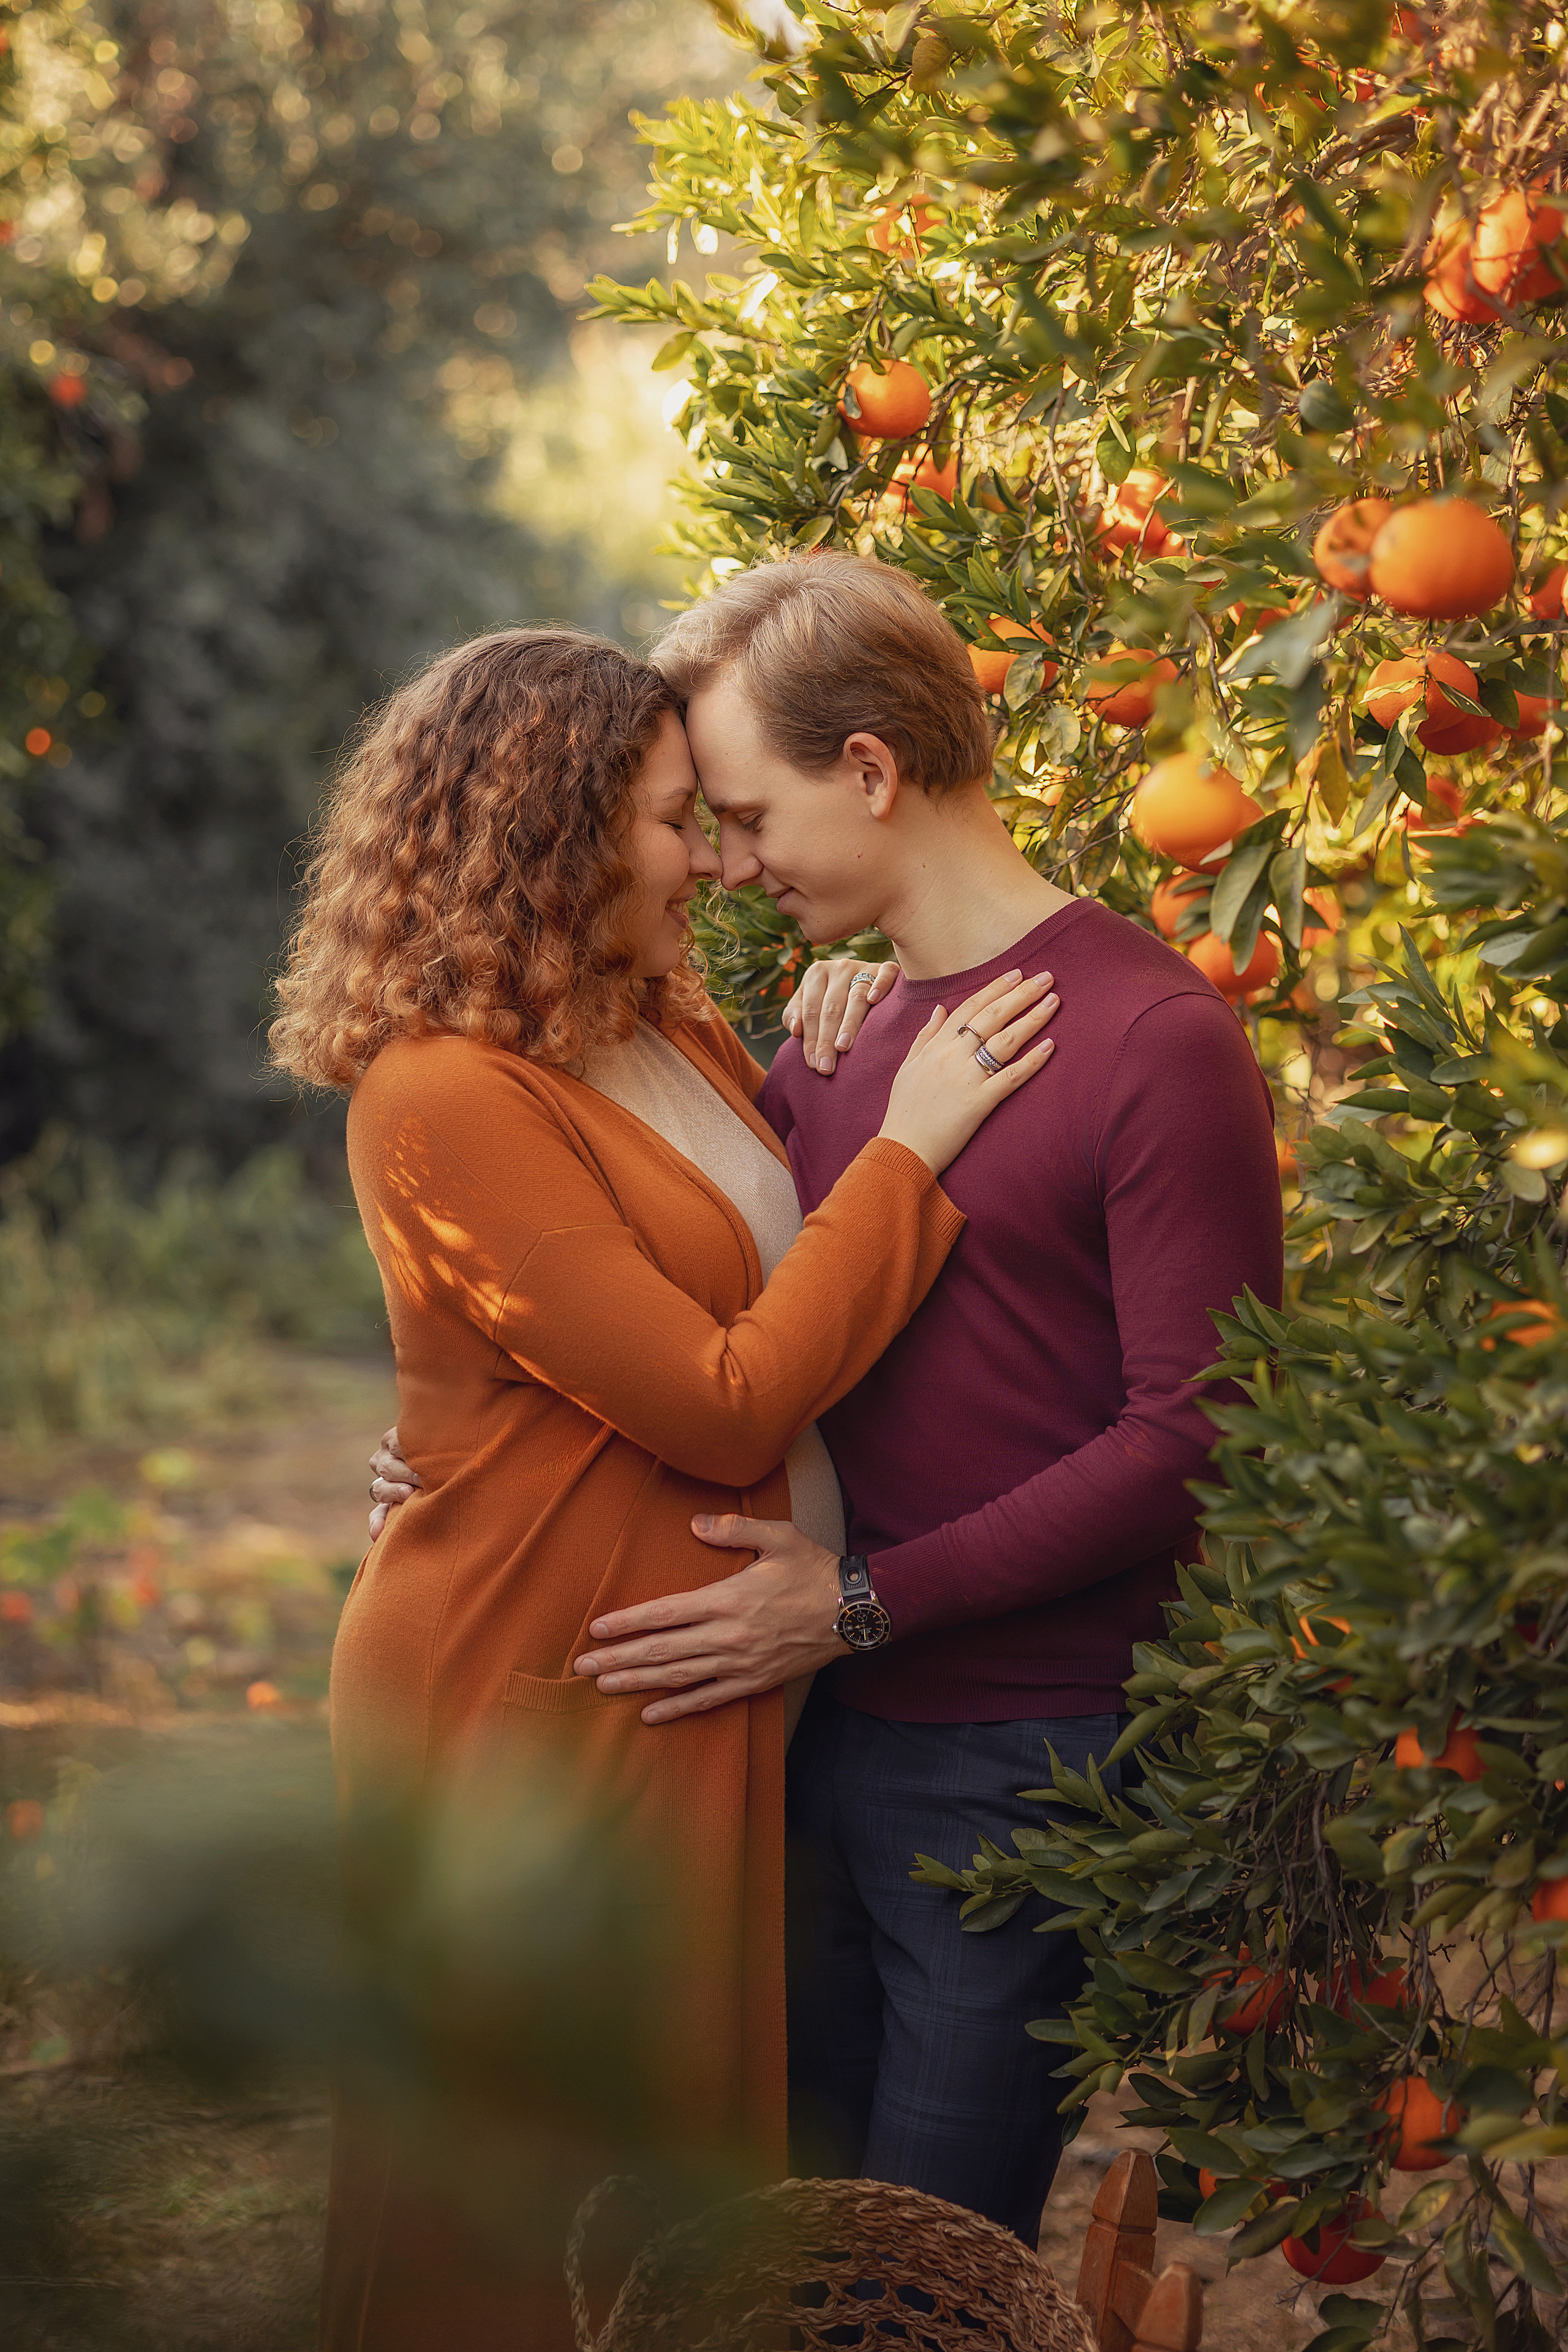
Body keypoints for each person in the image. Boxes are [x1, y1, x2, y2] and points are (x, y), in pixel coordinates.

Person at [268, 623, 1058, 2350]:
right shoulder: (439, 1091)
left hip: (691, 1665)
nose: (710, 855)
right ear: (544, 834)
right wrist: (917, 1139)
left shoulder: (661, 1021)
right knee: (529, 2192)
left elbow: (736, 1236)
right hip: (541, 1686)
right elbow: (721, 1398)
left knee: (681, 2181)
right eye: (668, 820)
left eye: (711, 815)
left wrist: (828, 1069)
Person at [549, 554, 1285, 2242]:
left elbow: (1196, 1439)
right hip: (799, 1731)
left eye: (743, 814)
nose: (724, 864)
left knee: (922, 2270)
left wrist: (866, 1605)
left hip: (1019, 1757)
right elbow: (731, 1330)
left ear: (871, 770)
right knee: (776, 2248)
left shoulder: (1156, 1039)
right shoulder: (828, 1038)